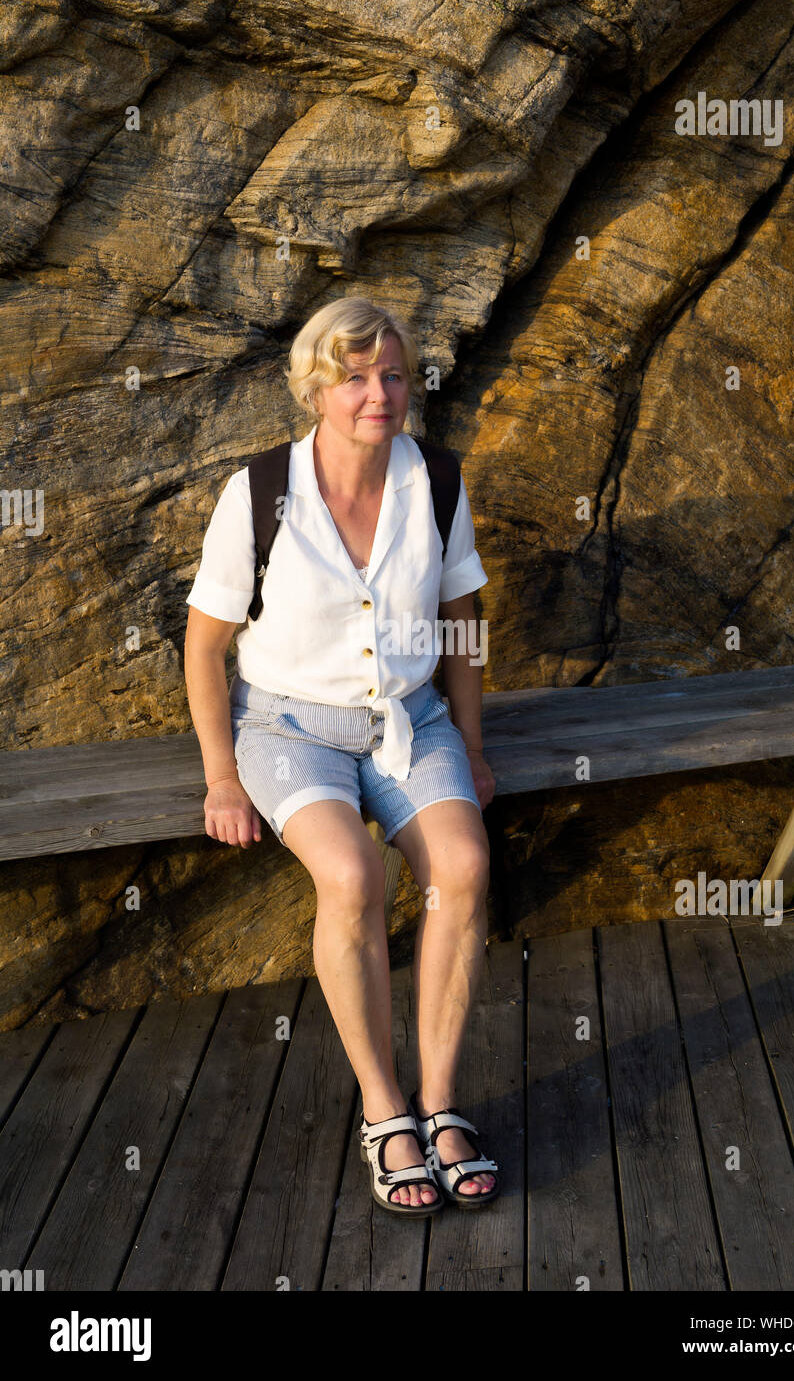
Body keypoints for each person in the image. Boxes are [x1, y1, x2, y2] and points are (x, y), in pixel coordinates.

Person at [183, 296, 499, 1215]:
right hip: (288, 730)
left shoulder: (436, 480)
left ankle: (441, 1104)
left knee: (465, 867)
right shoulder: (260, 490)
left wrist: (470, 747)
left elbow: (462, 626)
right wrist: (220, 777)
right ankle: (384, 1108)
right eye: (355, 378)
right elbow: (205, 644)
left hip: (410, 722)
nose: (379, 394)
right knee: (354, 876)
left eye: (393, 375)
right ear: (315, 389)